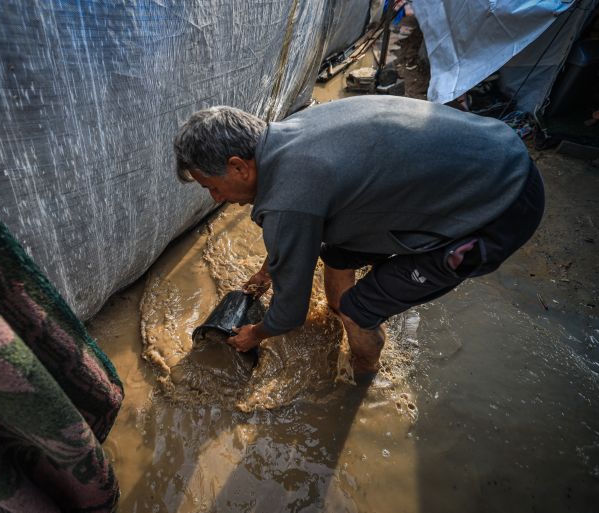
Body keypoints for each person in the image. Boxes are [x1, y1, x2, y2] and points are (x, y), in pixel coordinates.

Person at [173, 95, 544, 374]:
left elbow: (290, 314)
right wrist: (270, 270)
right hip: (497, 151)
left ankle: (361, 379)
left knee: (359, 308)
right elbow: (305, 224)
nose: (216, 198)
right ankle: (343, 313)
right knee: (336, 251)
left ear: (238, 167)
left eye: (212, 186)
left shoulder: (289, 200)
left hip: (499, 206)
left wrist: (254, 334)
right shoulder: (292, 131)